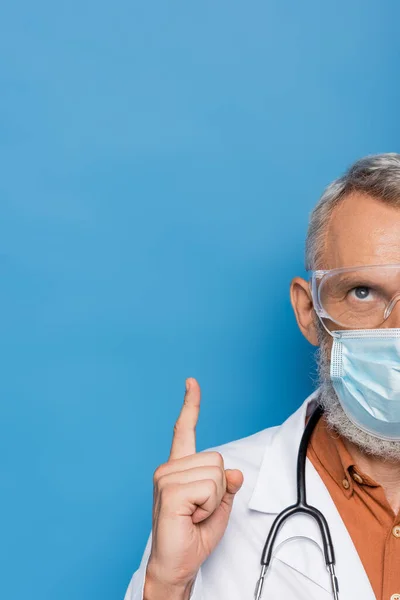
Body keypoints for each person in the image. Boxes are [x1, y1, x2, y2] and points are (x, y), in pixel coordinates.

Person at [125, 153, 400, 600]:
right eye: (363, 292)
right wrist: (167, 586)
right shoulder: (215, 500)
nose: (395, 330)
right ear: (309, 312)